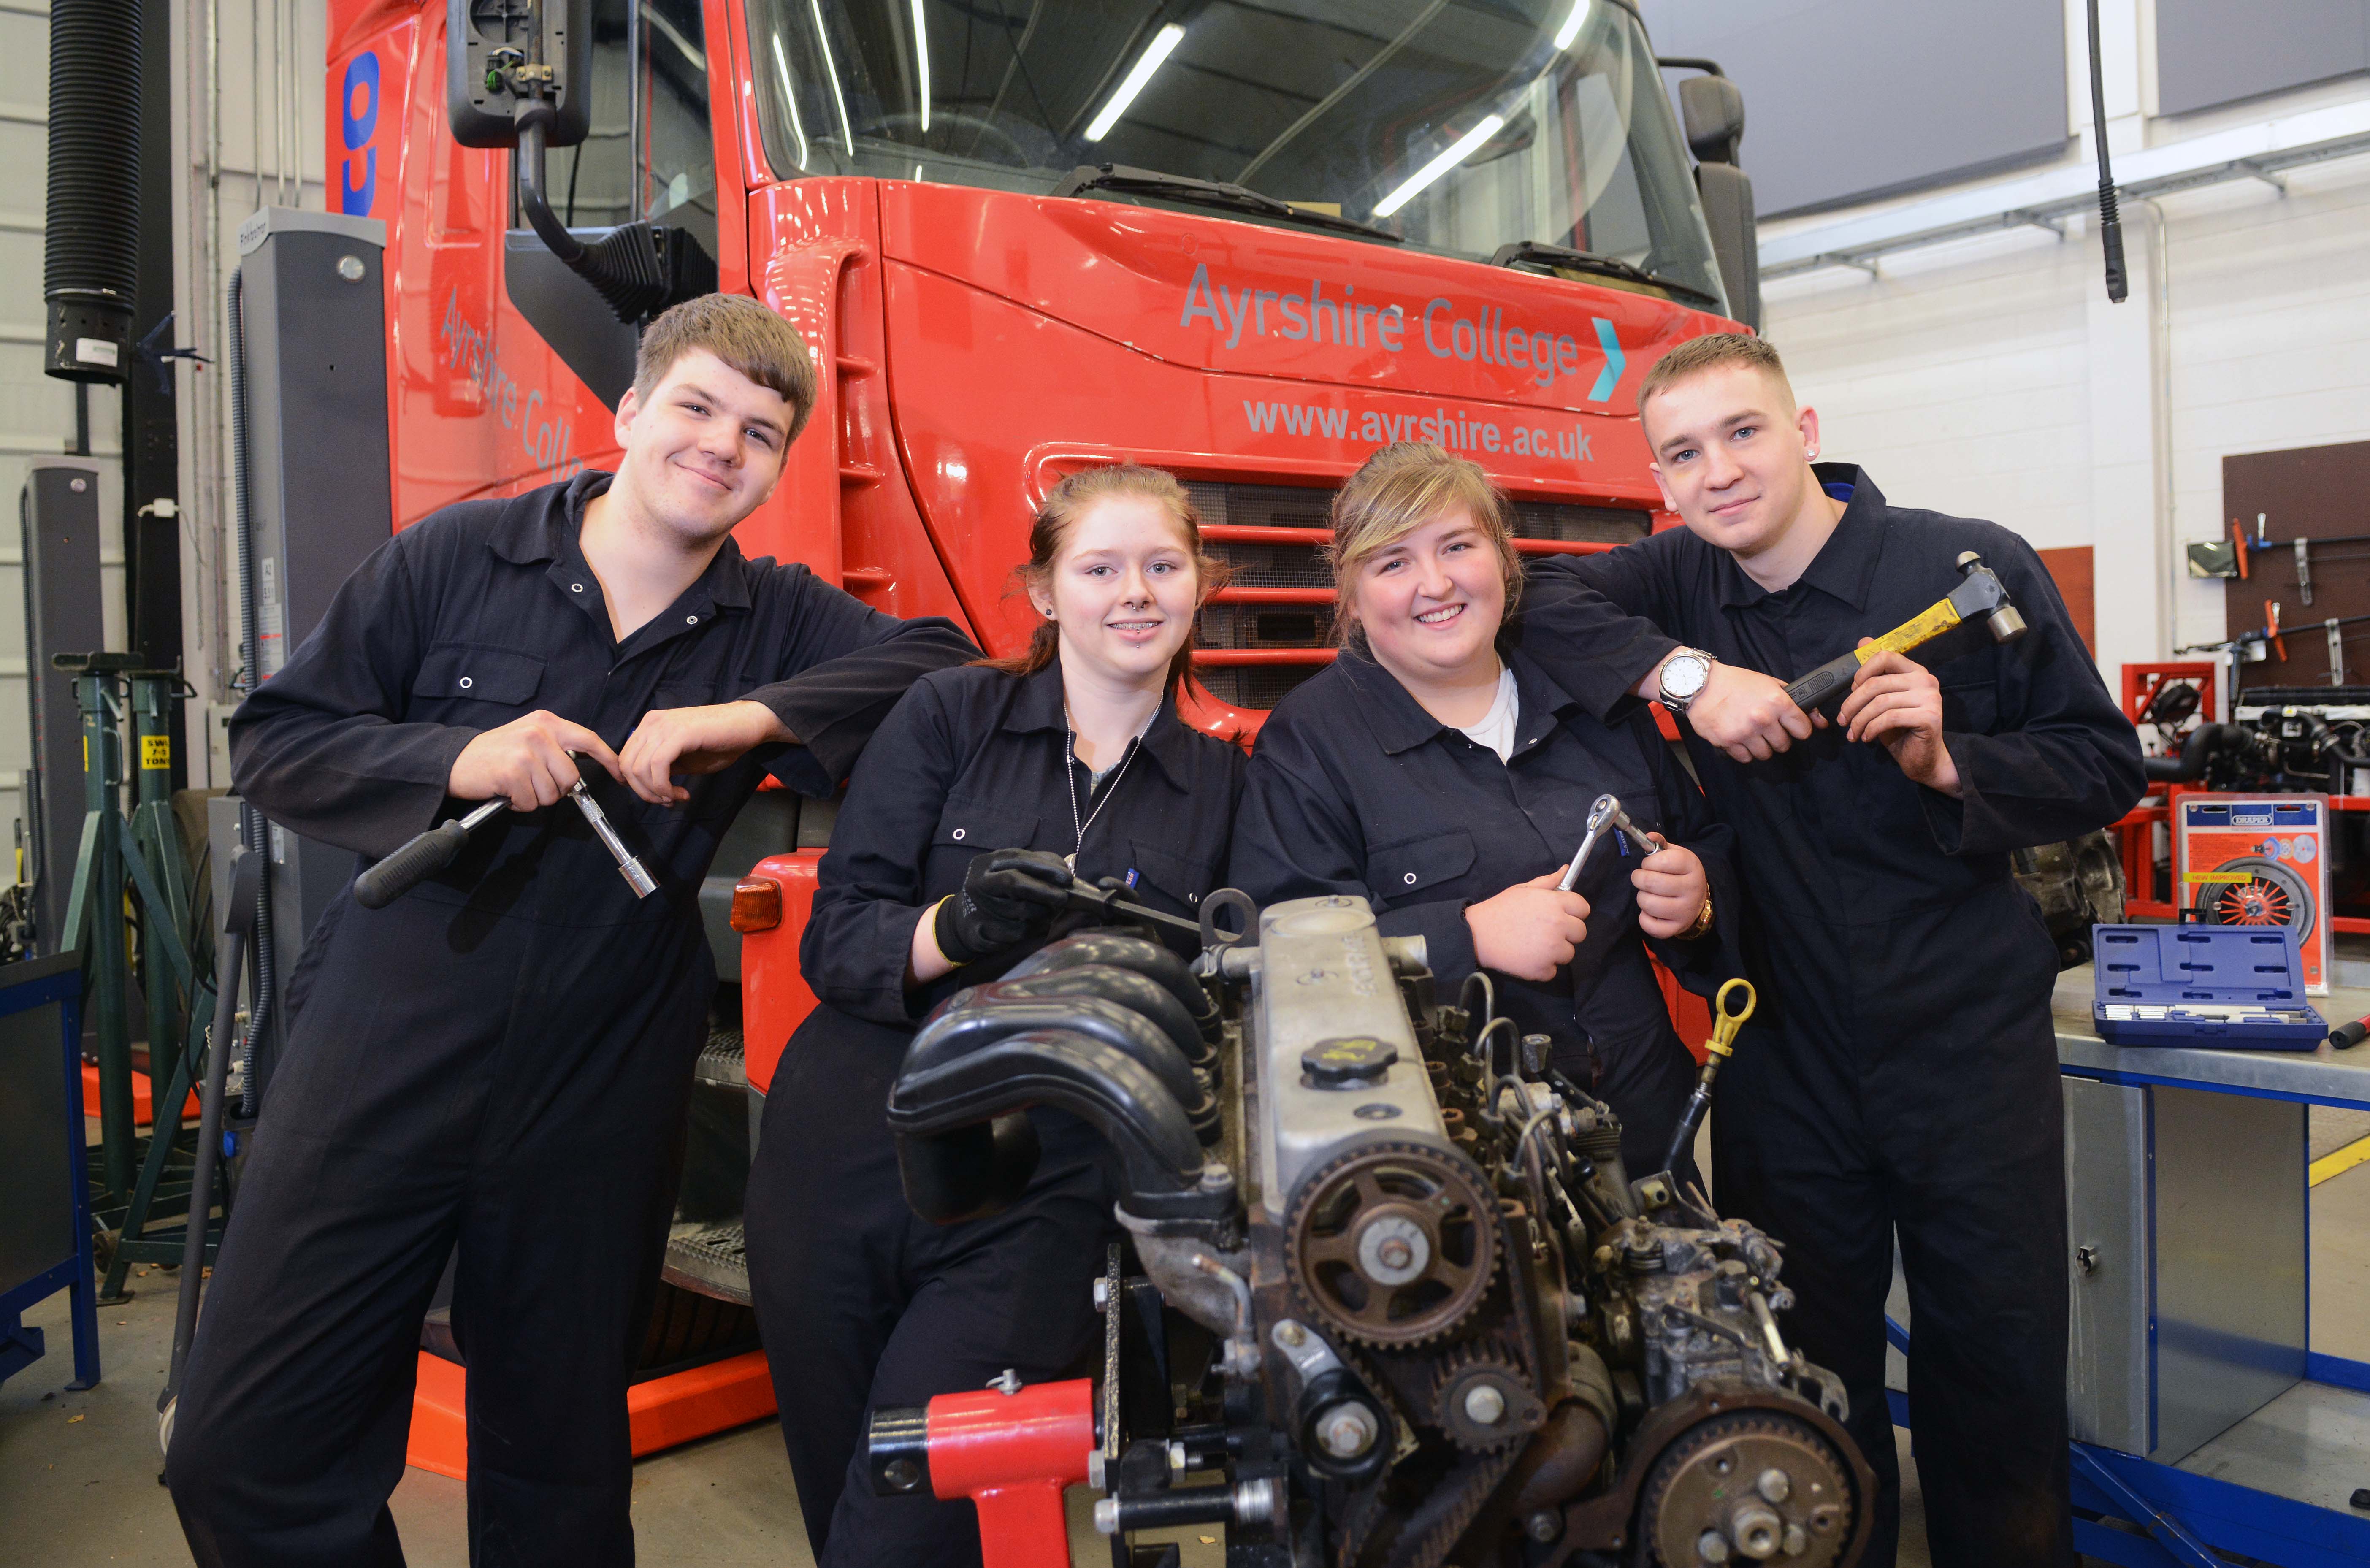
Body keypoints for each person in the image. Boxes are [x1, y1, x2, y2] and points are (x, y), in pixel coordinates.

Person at [165, 294, 977, 1568]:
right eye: (697, 408)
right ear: (629, 413)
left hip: (601, 1068)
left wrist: (750, 717)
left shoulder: (776, 617)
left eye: (760, 433)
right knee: (246, 1441)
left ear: (776, 470)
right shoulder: (455, 558)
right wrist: (463, 755)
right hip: (391, 1037)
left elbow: (952, 667)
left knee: (560, 1464)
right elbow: (277, 739)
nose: (721, 446)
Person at [1509, 333, 2147, 1568]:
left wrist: (1952, 752)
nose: (1720, 472)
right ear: (1664, 482)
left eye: (1744, 433)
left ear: (1805, 432)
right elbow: (1533, 598)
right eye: (1684, 454)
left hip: (1967, 1052)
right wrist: (1694, 678)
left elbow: (2105, 766)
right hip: (1784, 1059)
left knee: (1997, 1375)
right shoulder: (1680, 581)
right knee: (1802, 1384)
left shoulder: (1966, 562)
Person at [743, 464, 1246, 1567]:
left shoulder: (1221, 786)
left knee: (910, 1521)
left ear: (1201, 585)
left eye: (1163, 566)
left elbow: (1228, 995)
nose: (1135, 593)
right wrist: (955, 929)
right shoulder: (948, 714)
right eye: (1100, 567)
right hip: (844, 1148)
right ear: (1043, 590)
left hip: (1040, 1185)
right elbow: (839, 938)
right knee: (842, 1511)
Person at [1228, 442, 1740, 1180]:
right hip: (1453, 1164)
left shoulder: (1595, 702)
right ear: (1351, 589)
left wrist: (1697, 897)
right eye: (1392, 562)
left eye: (1458, 546)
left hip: (1647, 1137)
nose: (1434, 584)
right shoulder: (1310, 746)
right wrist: (1465, 937)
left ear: (1502, 559)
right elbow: (1281, 965)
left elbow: (1707, 846)